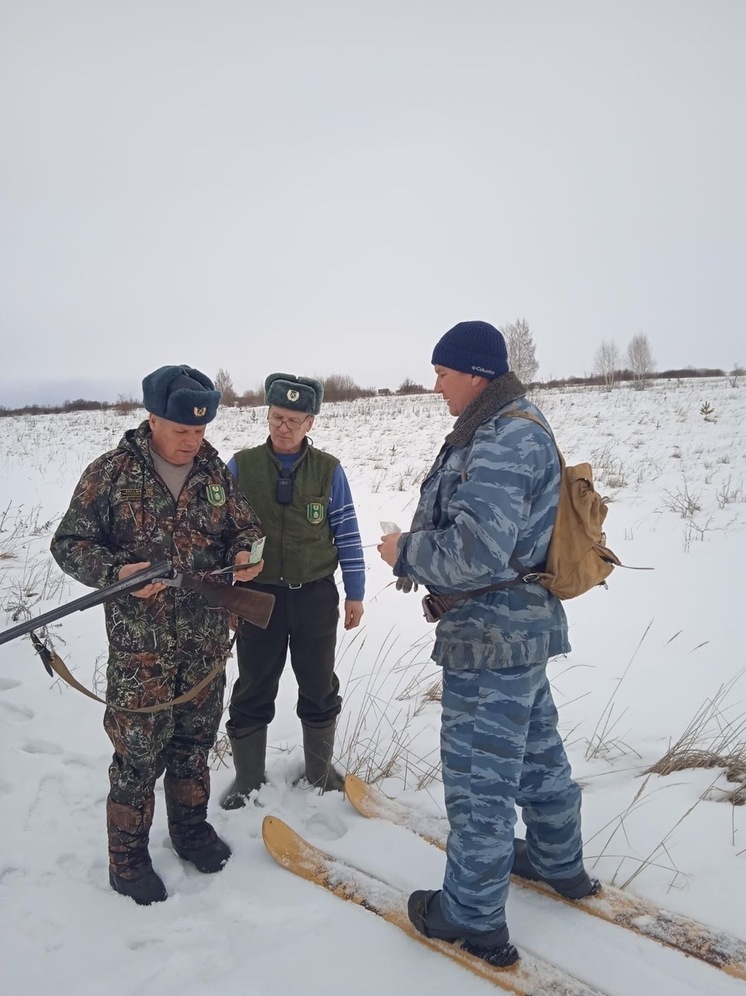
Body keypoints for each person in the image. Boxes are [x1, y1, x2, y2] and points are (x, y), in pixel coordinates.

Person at [377, 321, 598, 967]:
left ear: (474, 373)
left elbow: (474, 553)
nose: (436, 385)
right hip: (517, 631)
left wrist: (404, 551)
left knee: (481, 779)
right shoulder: (506, 426)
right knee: (534, 753)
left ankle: (470, 915)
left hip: (491, 636)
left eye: (442, 373)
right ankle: (559, 862)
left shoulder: (503, 436)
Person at [50, 365, 264, 906]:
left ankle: (190, 832)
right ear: (152, 419)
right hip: (140, 649)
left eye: (200, 432)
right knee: (138, 754)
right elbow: (69, 543)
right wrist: (115, 575)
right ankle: (127, 857)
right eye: (181, 432)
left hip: (206, 642)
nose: (192, 442)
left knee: (194, 745)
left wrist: (246, 555)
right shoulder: (112, 472)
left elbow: (247, 527)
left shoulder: (215, 473)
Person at [221, 372, 365, 808]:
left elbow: (348, 534)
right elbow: (222, 531)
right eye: (277, 416)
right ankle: (247, 778)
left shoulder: (329, 471)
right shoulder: (240, 466)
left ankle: (320, 772)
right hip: (257, 598)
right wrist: (229, 589)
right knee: (252, 685)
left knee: (319, 685)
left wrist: (355, 593)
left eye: (294, 420)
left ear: (310, 423)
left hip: (315, 597)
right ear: (267, 414)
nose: (283, 426)